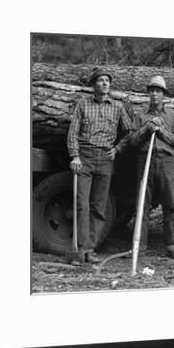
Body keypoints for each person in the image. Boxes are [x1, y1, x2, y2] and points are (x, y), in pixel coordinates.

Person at [66, 68, 133, 265]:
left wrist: (117, 149)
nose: (104, 83)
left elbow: (129, 132)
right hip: (85, 157)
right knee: (81, 205)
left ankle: (90, 249)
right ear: (94, 84)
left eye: (107, 81)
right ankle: (78, 250)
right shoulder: (83, 104)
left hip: (106, 158)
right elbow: (73, 132)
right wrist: (75, 156)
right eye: (100, 80)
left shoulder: (118, 107)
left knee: (99, 206)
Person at [129, 76, 174, 258]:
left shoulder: (173, 115)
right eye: (151, 90)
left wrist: (161, 131)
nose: (154, 94)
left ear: (164, 94)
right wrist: (147, 128)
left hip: (166, 161)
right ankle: (139, 246)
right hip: (146, 160)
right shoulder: (141, 115)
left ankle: (171, 245)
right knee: (143, 203)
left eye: (158, 91)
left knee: (169, 204)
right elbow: (133, 142)